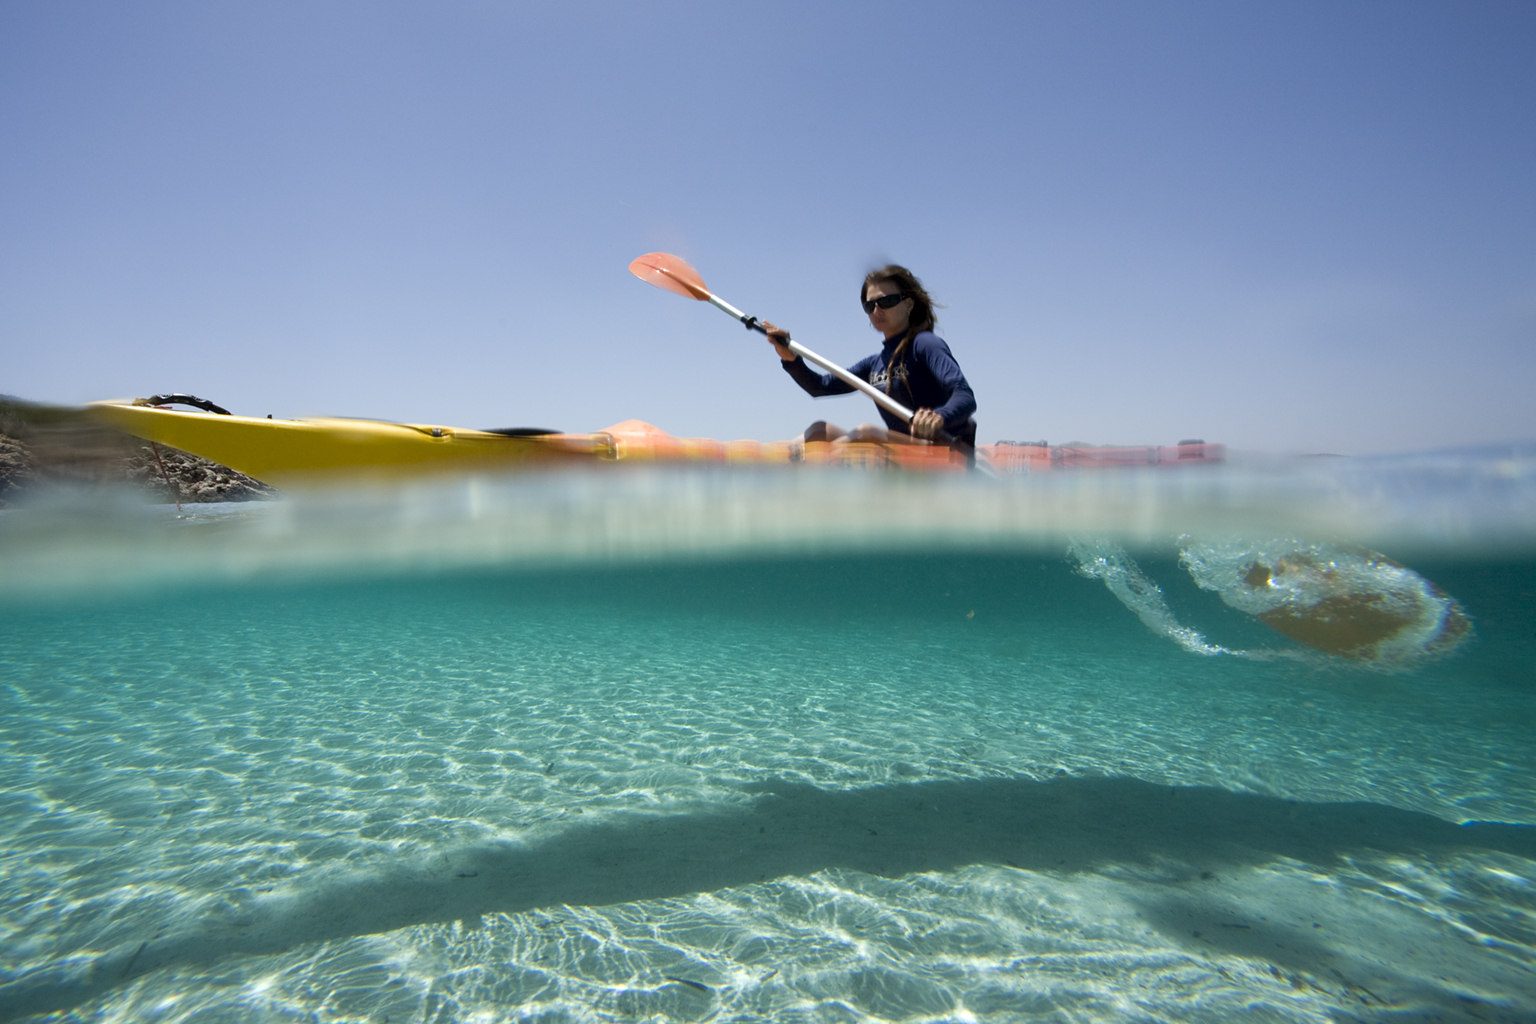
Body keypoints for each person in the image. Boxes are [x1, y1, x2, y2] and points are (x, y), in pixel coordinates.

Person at [762, 265, 977, 447]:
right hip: (906, 451)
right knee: (820, 431)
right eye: (869, 305)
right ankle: (771, 463)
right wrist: (790, 358)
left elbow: (964, 395)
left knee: (865, 434)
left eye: (886, 301)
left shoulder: (925, 344)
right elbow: (820, 386)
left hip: (942, 447)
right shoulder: (874, 365)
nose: (876, 310)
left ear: (909, 303)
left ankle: (813, 467)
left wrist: (939, 417)